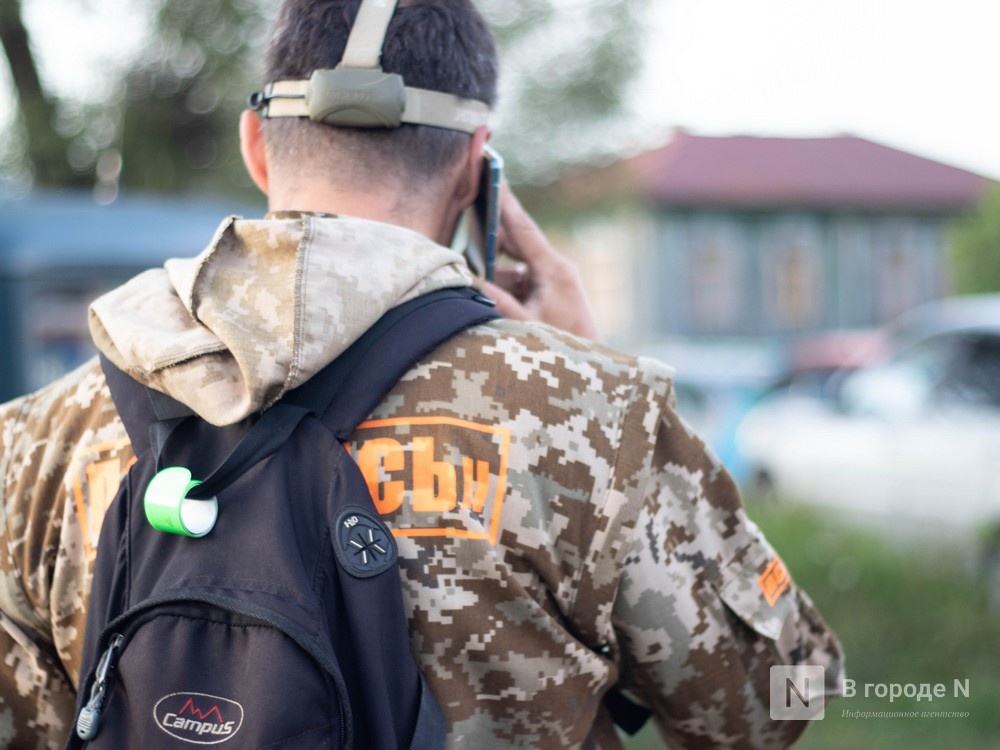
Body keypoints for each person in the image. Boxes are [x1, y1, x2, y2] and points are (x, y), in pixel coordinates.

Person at [0, 0, 843, 747]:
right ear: (478, 167)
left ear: (257, 145)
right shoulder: (597, 414)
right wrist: (590, 359)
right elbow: (771, 707)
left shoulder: (38, 438)